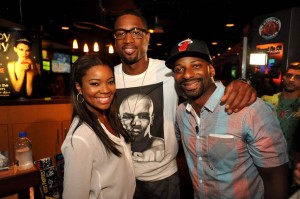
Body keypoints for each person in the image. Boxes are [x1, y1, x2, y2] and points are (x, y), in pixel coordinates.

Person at [112, 10, 257, 199]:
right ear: (115, 39)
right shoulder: (108, 77)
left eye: (136, 32)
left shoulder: (169, 71)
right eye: (121, 33)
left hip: (163, 178)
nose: (128, 39)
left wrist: (243, 83)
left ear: (147, 37)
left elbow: (203, 84)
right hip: (121, 175)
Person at [165, 38, 289, 199]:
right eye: (179, 69)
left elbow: (275, 179)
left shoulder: (250, 110)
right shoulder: (181, 113)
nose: (187, 74)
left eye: (196, 66)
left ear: (211, 70)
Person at [61, 53, 135, 199]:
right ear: (79, 87)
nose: (106, 90)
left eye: (110, 82)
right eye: (95, 83)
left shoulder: (108, 117)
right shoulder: (80, 139)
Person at [261, 64, 300, 187]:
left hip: (291, 166)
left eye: (298, 77)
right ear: (284, 78)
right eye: (289, 76)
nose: (292, 79)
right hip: (266, 163)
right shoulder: (267, 101)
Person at [119, 93, 165, 162]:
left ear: (151, 119)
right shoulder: (114, 144)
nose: (135, 123)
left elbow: (160, 146)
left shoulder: (159, 144)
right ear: (120, 119)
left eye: (143, 116)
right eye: (128, 117)